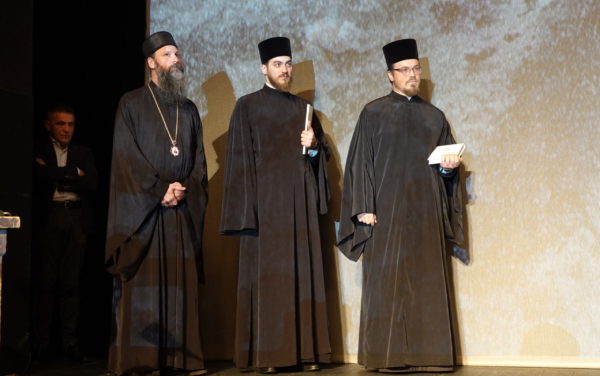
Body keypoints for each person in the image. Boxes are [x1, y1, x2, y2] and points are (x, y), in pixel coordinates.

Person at [337, 38, 466, 373]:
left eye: (416, 69)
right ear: (390, 75)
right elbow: (360, 164)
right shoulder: (373, 113)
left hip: (425, 214)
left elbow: (446, 168)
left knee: (426, 284)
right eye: (404, 69)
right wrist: (363, 208)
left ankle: (431, 357)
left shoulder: (434, 117)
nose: (412, 75)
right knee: (387, 286)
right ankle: (389, 358)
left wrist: (449, 168)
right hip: (386, 213)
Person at [220, 37, 331, 374]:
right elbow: (238, 161)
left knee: (301, 276)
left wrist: (314, 145)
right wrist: (249, 211)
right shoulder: (247, 106)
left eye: (288, 63)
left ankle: (306, 352)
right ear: (263, 68)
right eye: (278, 64)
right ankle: (269, 356)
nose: (285, 70)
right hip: (265, 208)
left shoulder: (303, 109)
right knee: (269, 281)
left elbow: (320, 159)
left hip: (299, 206)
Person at [105, 31, 208, 376]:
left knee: (180, 288)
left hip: (180, 212)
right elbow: (126, 158)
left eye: (177, 54)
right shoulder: (131, 104)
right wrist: (159, 189)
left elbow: (198, 161)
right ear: (151, 62)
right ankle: (143, 361)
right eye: (167, 55)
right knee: (144, 288)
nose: (175, 60)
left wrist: (183, 189)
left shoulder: (188, 109)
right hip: (144, 213)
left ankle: (182, 360)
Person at [32, 104, 98, 363]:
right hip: (49, 218)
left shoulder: (83, 152)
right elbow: (38, 175)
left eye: (70, 124)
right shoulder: (38, 149)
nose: (66, 129)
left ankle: (69, 344)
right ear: (49, 125)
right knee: (45, 282)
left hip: (75, 218)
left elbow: (92, 181)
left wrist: (56, 175)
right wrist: (72, 173)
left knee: (71, 284)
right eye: (61, 124)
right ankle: (41, 345)